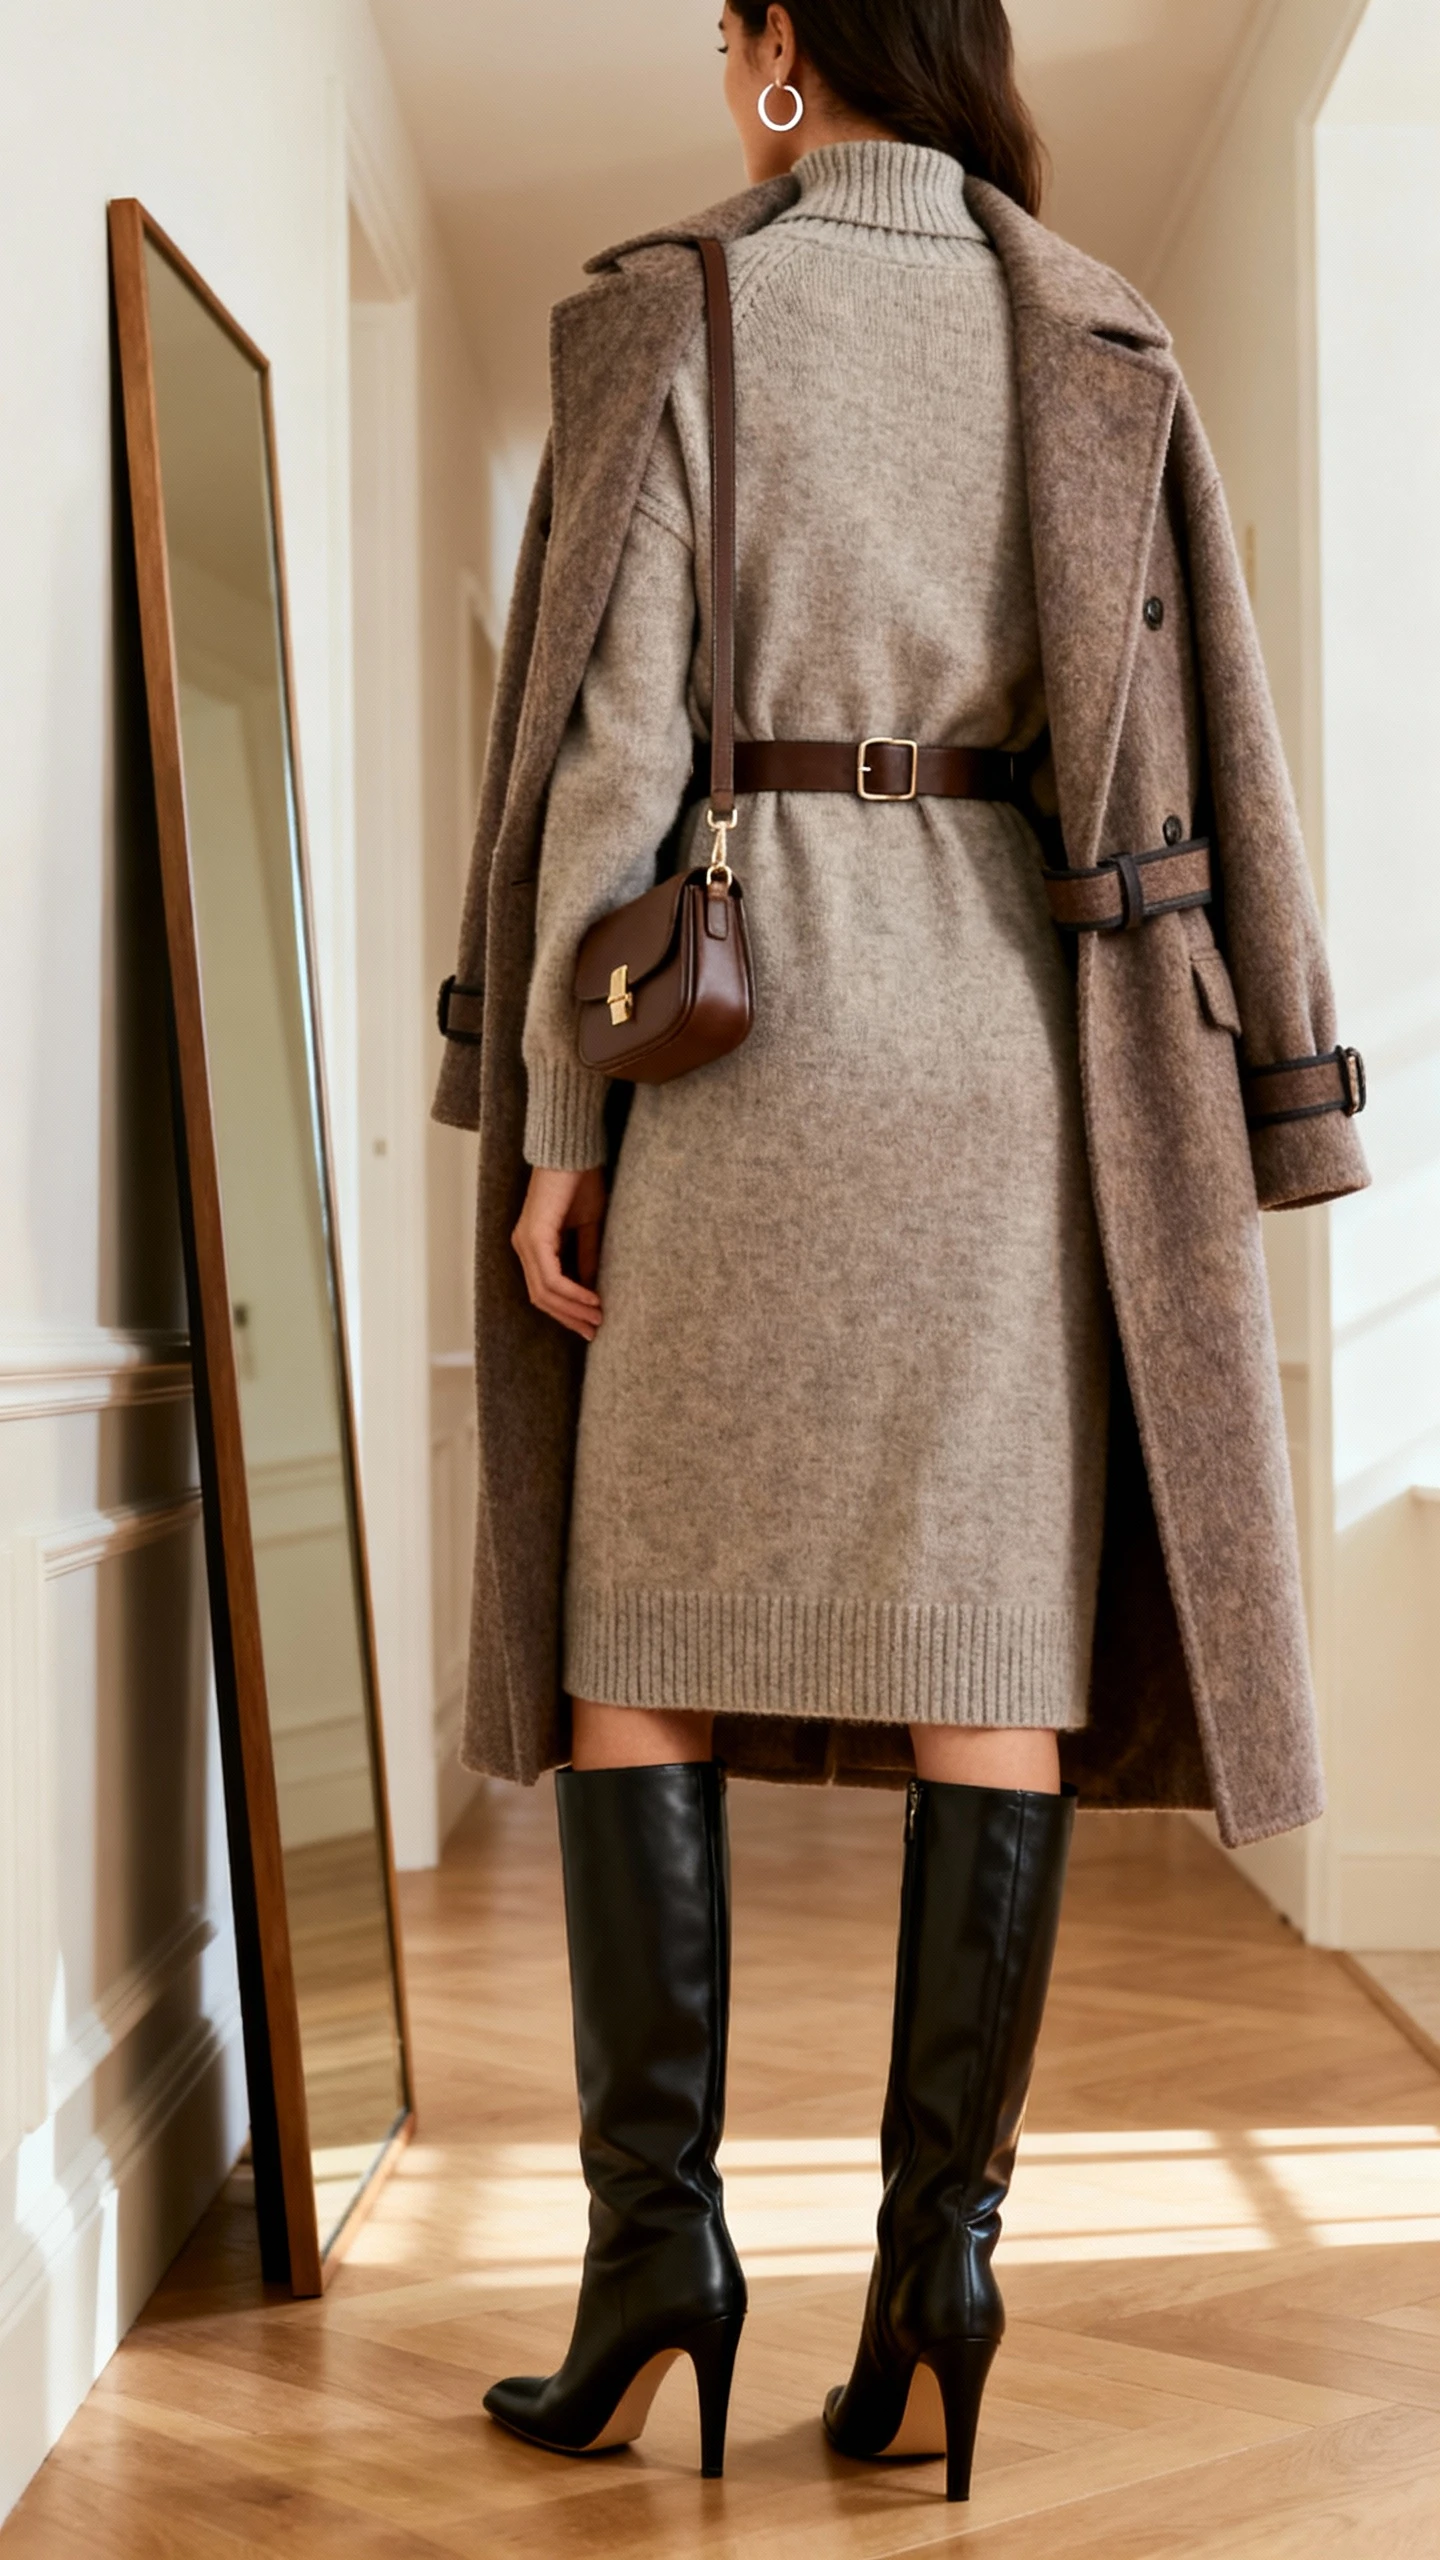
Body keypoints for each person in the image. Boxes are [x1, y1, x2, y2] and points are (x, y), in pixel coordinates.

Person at [433, 0, 1368, 2505]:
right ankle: (945, 2267)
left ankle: (658, 2259)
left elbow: (613, 760)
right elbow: (1212, 742)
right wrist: (1284, 1065)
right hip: (1016, 1062)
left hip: (736, 1046)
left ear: (775, 52)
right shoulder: (1090, 324)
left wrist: (548, 1118)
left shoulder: (681, 306)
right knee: (992, 1648)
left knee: (637, 1620)